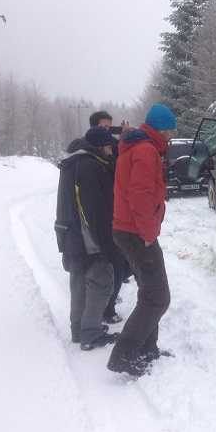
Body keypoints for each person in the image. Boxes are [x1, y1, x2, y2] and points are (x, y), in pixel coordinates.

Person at [107, 103, 177, 376]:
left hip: (128, 230)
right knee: (158, 297)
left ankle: (147, 349)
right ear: (159, 129)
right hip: (136, 233)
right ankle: (123, 356)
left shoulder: (141, 147)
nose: (171, 137)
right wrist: (149, 234)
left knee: (150, 292)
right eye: (169, 131)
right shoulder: (146, 151)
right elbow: (139, 196)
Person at [54, 127, 120, 350]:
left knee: (79, 282)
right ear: (101, 147)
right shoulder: (91, 167)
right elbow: (95, 210)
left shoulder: (73, 163)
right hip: (87, 235)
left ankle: (78, 330)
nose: (111, 151)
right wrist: (106, 243)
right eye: (110, 147)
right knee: (101, 281)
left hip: (70, 232)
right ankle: (90, 333)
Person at [68, 110, 129, 325]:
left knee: (114, 269)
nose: (107, 132)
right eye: (103, 127)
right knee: (99, 272)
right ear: (93, 128)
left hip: (106, 222)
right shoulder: (86, 155)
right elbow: (93, 201)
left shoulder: (103, 150)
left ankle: (92, 319)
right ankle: (94, 320)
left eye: (109, 127)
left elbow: (118, 169)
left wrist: (122, 142)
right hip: (91, 228)